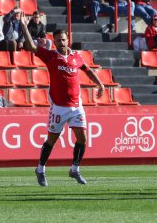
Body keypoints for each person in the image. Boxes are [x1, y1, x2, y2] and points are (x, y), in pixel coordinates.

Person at [20, 12, 105, 187]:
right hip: (59, 107)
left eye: (64, 40)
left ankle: (75, 169)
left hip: (77, 106)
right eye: (58, 40)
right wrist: (23, 26)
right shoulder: (50, 56)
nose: (62, 42)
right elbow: (30, 47)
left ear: (68, 40)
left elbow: (87, 70)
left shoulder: (76, 57)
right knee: (52, 140)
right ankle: (40, 169)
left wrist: (100, 84)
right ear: (55, 41)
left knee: (82, 139)